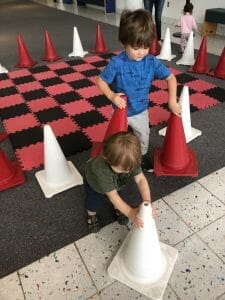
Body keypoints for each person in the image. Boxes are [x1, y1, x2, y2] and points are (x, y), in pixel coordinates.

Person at [97, 9, 181, 172]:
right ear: (124, 42)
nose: (141, 52)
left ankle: (141, 158)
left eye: (146, 47)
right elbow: (100, 81)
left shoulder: (151, 62)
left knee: (143, 137)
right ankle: (115, 161)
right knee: (116, 140)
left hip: (140, 111)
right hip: (120, 110)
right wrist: (112, 96)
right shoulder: (117, 63)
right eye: (136, 47)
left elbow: (171, 78)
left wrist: (172, 101)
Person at [84, 131, 152, 233]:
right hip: (95, 184)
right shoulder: (101, 169)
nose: (128, 172)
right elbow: (112, 195)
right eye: (122, 170)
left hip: (117, 182)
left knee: (119, 193)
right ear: (106, 159)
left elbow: (141, 179)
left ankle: (118, 208)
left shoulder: (131, 159)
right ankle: (91, 215)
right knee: (94, 201)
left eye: (130, 169)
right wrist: (130, 212)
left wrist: (147, 202)